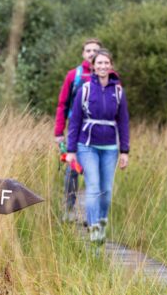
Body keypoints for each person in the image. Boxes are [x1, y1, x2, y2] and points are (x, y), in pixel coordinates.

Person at [66, 49, 129, 243]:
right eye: (99, 63)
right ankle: (93, 228)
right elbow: (75, 120)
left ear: (111, 66)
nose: (102, 66)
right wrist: (71, 151)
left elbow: (123, 122)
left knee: (106, 190)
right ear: (93, 66)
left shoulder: (117, 91)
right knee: (93, 186)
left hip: (110, 148)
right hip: (87, 146)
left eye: (106, 63)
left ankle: (101, 222)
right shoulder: (85, 89)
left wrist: (124, 151)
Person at [54, 38, 102, 222]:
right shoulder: (74, 75)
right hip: (77, 131)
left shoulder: (108, 76)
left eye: (95, 50)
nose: (91, 53)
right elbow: (62, 105)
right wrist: (59, 133)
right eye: (88, 50)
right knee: (73, 170)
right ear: (83, 54)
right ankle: (68, 209)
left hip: (100, 133)